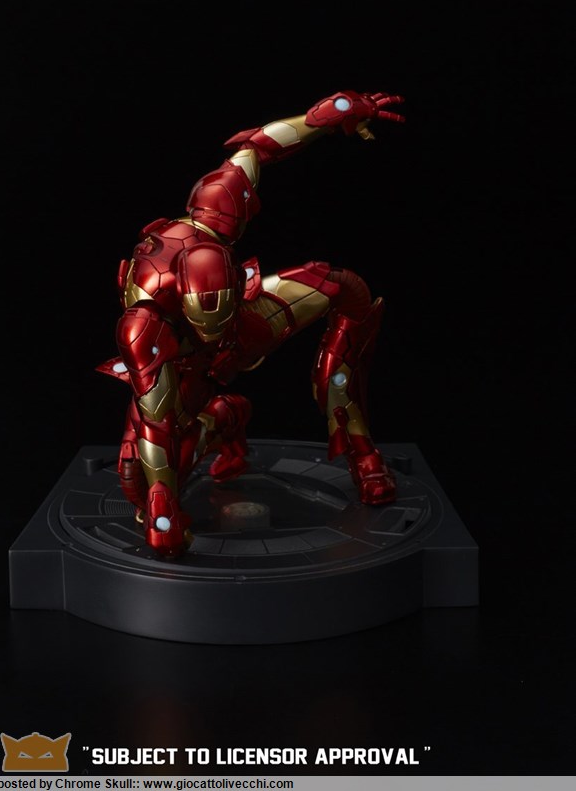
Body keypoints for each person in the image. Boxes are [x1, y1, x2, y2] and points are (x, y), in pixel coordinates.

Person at [99, 89, 405, 556]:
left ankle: (362, 451)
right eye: (208, 316)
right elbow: (155, 426)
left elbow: (257, 147)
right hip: (182, 356)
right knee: (141, 478)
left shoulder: (216, 210)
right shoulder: (143, 323)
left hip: (245, 320)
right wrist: (162, 509)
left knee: (345, 288)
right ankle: (224, 421)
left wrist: (331, 112)